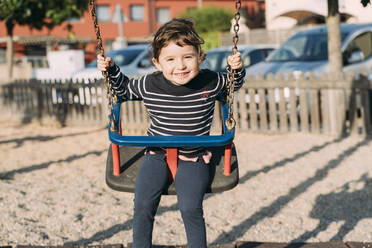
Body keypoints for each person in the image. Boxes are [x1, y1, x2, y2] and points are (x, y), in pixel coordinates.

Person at [97, 18, 245, 248]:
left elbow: (232, 85)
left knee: (190, 208)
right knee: (143, 205)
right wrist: (111, 70)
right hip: (156, 154)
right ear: (157, 63)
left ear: (200, 56)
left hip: (194, 156)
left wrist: (236, 69)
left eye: (188, 57)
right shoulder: (149, 84)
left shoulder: (211, 81)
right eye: (170, 59)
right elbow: (124, 89)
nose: (181, 66)